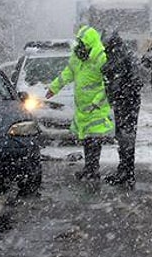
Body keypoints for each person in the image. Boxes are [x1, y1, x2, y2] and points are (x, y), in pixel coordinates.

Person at [46, 25, 114, 181]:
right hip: (82, 108)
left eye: (81, 43)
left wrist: (97, 102)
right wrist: (54, 88)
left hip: (96, 108)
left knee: (94, 140)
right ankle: (88, 169)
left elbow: (107, 85)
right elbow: (67, 73)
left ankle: (93, 170)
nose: (79, 46)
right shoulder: (77, 57)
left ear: (89, 43)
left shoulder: (100, 57)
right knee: (86, 139)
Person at [101, 31, 143, 188]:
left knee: (125, 136)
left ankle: (126, 172)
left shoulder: (119, 56)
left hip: (125, 100)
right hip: (129, 100)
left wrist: (117, 92)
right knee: (126, 136)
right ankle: (125, 170)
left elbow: (111, 72)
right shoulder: (126, 54)